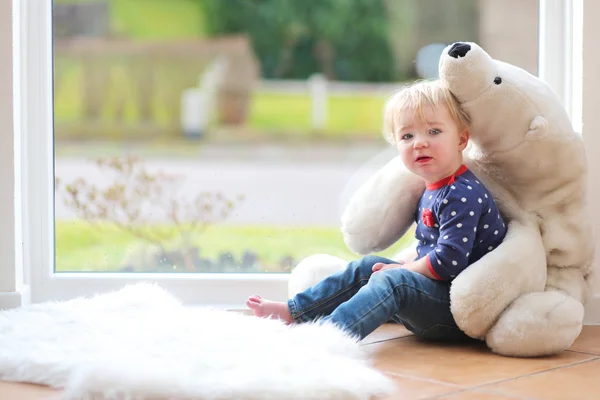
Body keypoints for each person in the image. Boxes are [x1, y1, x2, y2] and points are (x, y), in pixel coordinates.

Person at [246, 80, 507, 342]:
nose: (419, 143)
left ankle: (328, 337)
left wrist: (403, 271)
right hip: (437, 291)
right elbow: (431, 249)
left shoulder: (461, 193)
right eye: (407, 136)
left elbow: (449, 261)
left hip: (457, 312)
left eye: (434, 131)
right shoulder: (434, 187)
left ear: (461, 139)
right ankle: (296, 312)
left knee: (393, 282)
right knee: (369, 267)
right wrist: (405, 265)